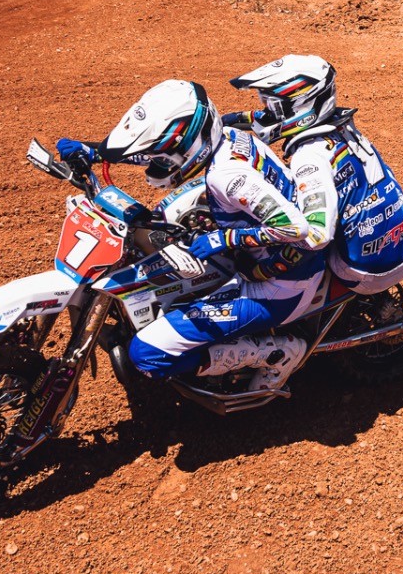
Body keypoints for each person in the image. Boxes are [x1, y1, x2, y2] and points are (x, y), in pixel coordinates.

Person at [56, 81, 325, 394]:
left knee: (146, 355)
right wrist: (96, 151)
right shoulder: (226, 136)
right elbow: (164, 151)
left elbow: (295, 228)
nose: (159, 164)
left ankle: (279, 353)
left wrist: (223, 240)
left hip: (280, 285)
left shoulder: (227, 177)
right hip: (269, 262)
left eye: (164, 158)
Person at [227, 55, 403, 296]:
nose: (267, 111)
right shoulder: (340, 125)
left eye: (274, 106)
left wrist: (262, 269)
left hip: (362, 272)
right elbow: (270, 120)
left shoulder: (309, 157)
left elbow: (316, 237)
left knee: (284, 233)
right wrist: (228, 121)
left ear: (302, 106)